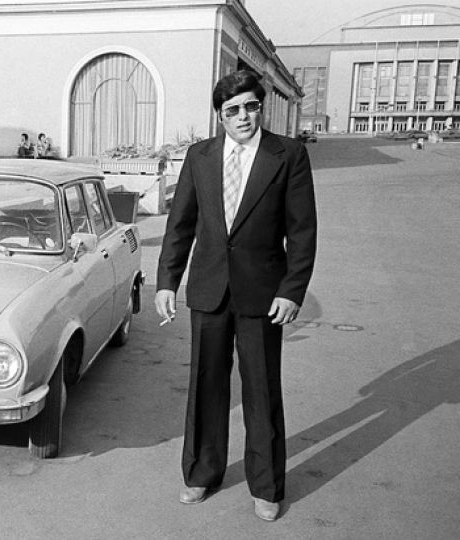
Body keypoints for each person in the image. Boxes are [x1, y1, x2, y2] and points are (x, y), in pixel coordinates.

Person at [154, 70, 317, 522]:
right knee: (206, 385)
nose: (243, 116)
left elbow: (303, 231)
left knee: (262, 389)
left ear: (260, 107)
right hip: (208, 289)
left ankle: (266, 485)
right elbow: (180, 224)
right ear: (220, 116)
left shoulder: (287, 155)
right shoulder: (200, 156)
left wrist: (292, 290)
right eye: (232, 110)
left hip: (263, 294)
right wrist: (167, 280)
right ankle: (202, 472)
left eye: (250, 106)